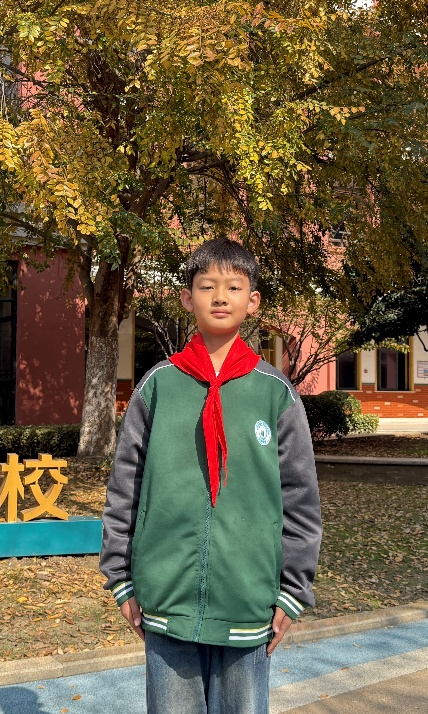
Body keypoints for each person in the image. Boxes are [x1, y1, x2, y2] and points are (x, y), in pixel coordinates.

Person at [100, 238, 322, 714]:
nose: (220, 297)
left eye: (233, 287)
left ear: (252, 301)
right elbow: (125, 489)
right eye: (207, 286)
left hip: (248, 602)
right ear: (187, 298)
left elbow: (301, 501)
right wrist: (121, 577)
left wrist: (292, 591)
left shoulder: (274, 394)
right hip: (167, 601)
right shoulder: (158, 386)